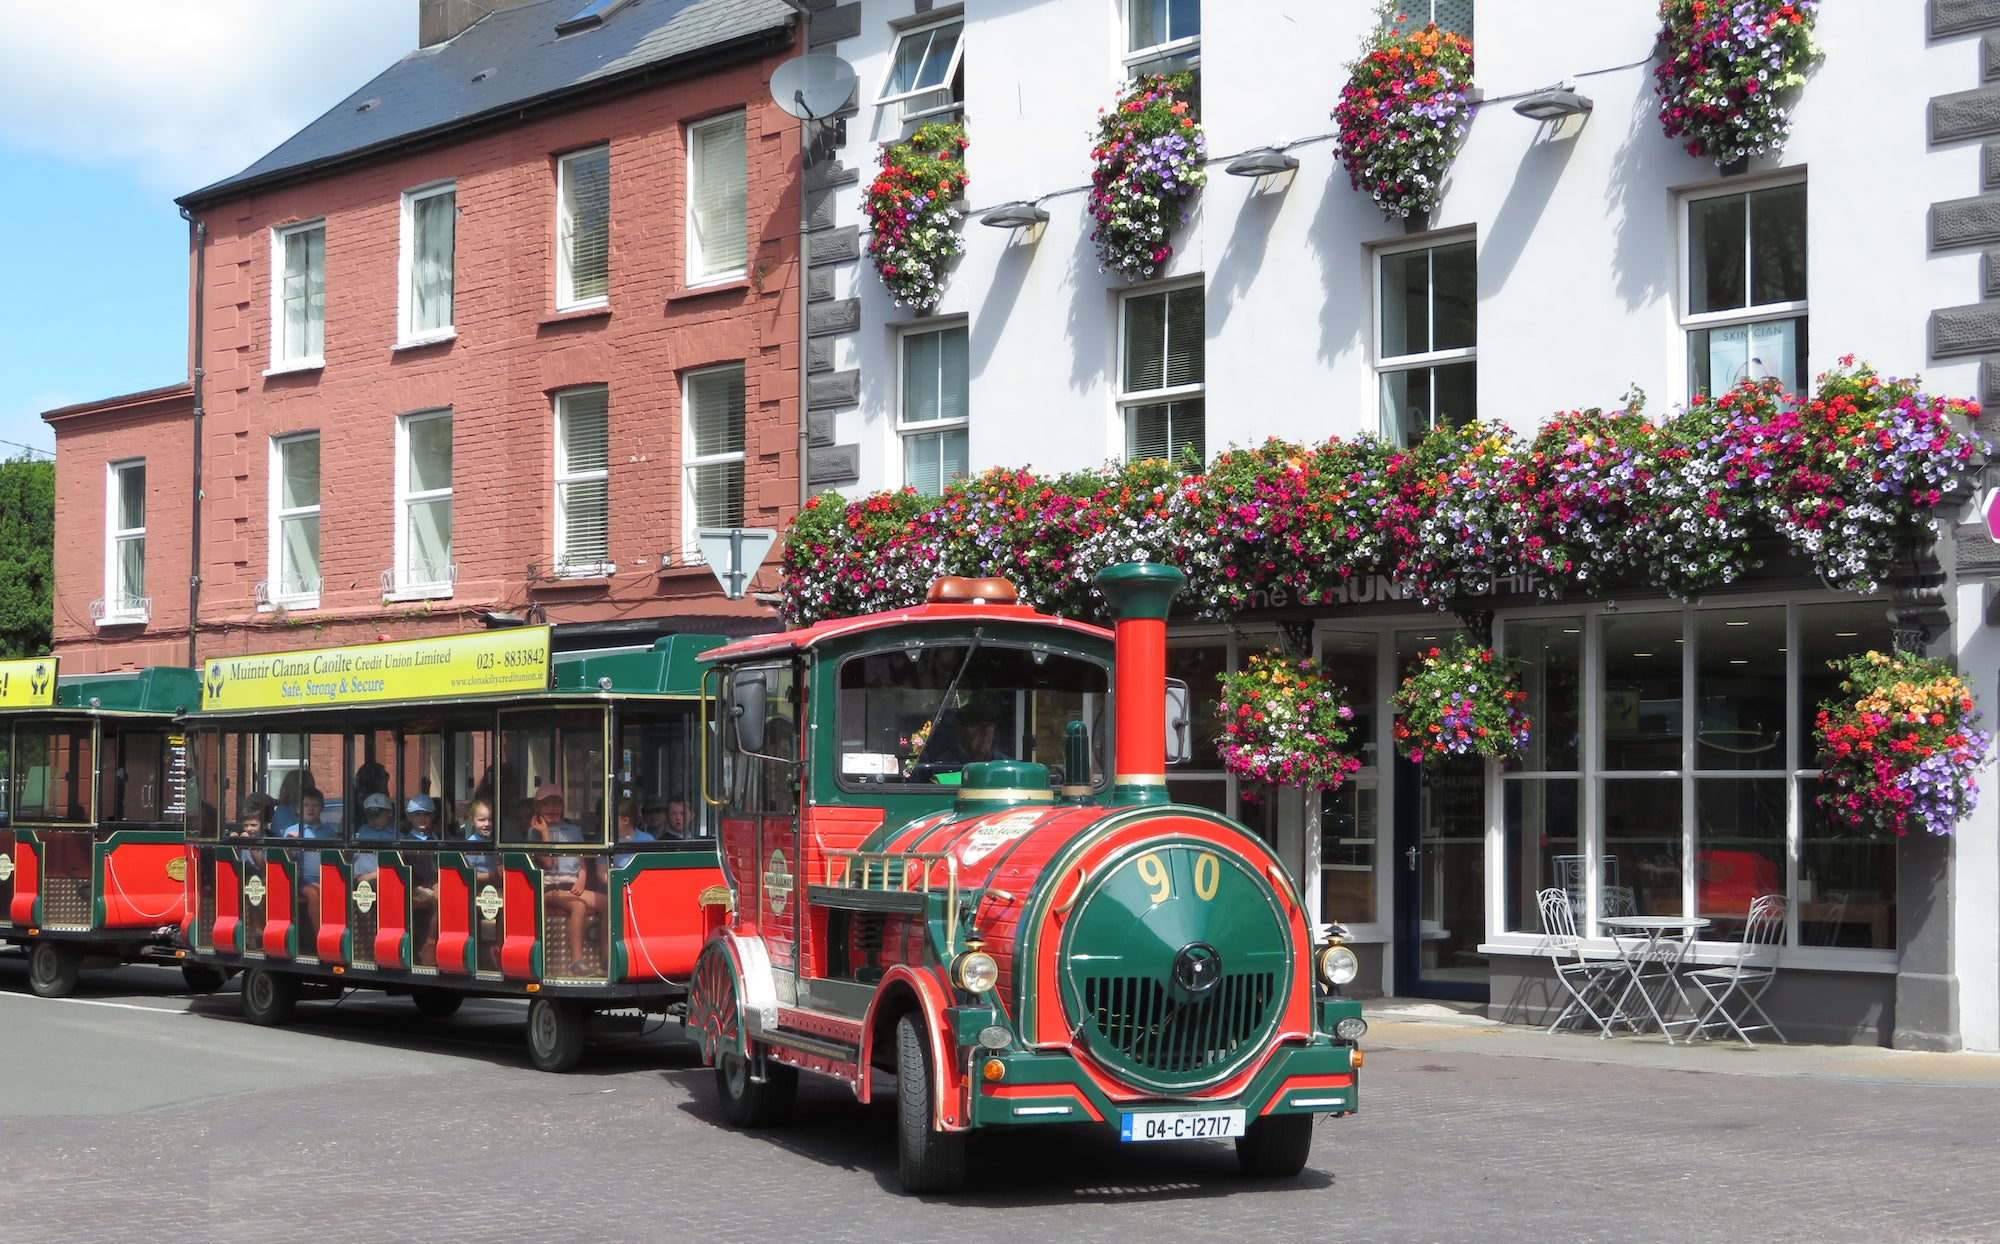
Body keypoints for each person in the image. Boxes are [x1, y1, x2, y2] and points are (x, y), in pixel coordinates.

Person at [528, 782, 594, 975]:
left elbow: (582, 862)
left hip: (573, 885)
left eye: (556, 803)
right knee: (579, 905)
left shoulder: (573, 831)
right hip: (550, 887)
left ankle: (607, 955)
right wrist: (545, 832)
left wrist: (582, 880)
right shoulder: (534, 833)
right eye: (546, 804)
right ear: (538, 809)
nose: (552, 808)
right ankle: (576, 961)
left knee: (609, 903)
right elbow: (548, 863)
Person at [283, 787, 328, 940]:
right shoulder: (292, 831)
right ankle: (320, 938)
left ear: (321, 808)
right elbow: (286, 860)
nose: (310, 808)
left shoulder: (329, 832)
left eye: (314, 805)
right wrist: (289, 845)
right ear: (298, 808)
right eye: (305, 805)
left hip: (326, 878)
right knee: (313, 893)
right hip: (302, 880)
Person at [404, 794, 441, 966]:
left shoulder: (437, 839)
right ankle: (429, 944)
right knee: (439, 900)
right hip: (416, 886)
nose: (422, 818)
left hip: (435, 883)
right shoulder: (407, 842)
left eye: (426, 814)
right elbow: (419, 870)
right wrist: (435, 884)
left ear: (432, 816)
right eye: (418, 814)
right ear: (410, 817)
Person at [610, 797, 655, 869]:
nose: (609, 822)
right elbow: (602, 872)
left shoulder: (648, 840)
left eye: (612, 819)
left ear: (625, 820)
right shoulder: (608, 840)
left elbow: (652, 868)